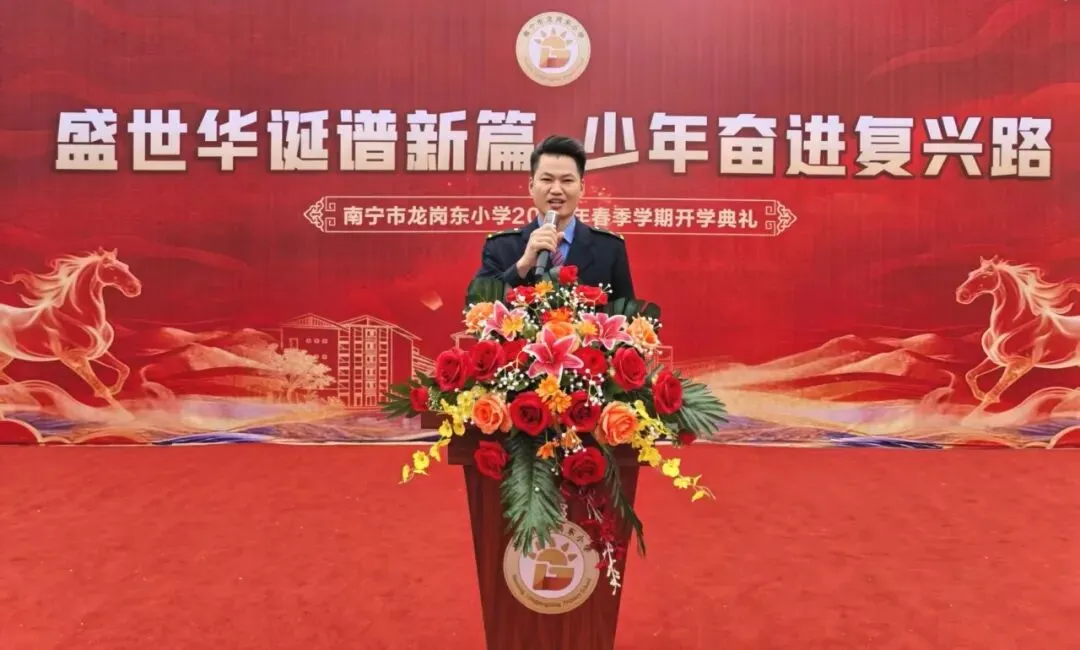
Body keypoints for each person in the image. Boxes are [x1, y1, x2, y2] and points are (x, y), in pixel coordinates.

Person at [474, 135, 636, 301]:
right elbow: (478, 306)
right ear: (531, 186)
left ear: (581, 188)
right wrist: (522, 266)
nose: (556, 190)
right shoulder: (501, 246)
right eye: (547, 179)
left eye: (567, 180)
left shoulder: (609, 247)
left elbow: (625, 313)